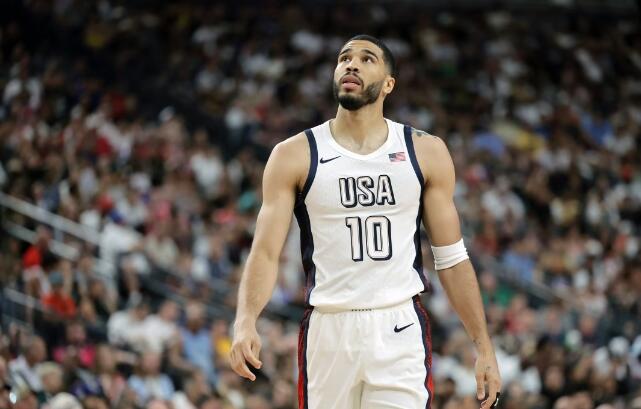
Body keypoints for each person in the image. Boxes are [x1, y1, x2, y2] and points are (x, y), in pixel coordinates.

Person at [231, 34, 501, 409]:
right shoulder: (294, 154)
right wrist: (245, 320)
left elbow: (451, 258)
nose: (352, 64)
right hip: (329, 327)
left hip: (398, 326)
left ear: (389, 83)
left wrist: (483, 346)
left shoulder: (424, 150)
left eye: (367, 58)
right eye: (344, 58)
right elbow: (264, 252)